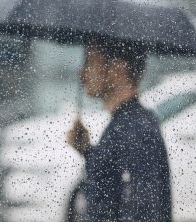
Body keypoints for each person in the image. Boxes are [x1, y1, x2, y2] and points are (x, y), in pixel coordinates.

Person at [68, 37, 171, 221]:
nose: (82, 73)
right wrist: (87, 150)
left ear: (117, 70)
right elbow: (111, 186)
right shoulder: (125, 123)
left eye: (90, 62)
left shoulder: (136, 129)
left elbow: (144, 210)